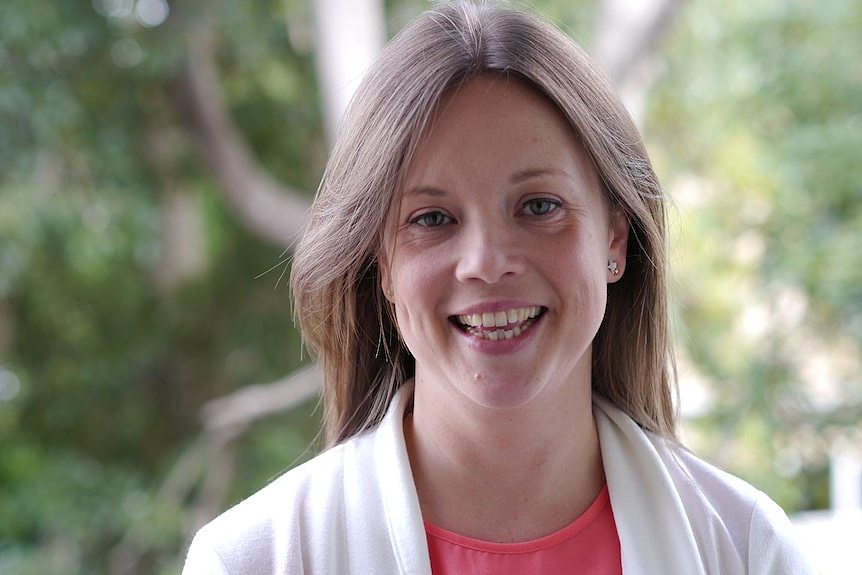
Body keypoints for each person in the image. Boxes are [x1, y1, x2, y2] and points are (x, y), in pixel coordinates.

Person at [182, 2, 815, 573]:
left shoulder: (747, 550)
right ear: (382, 266)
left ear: (615, 238)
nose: (486, 263)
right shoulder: (252, 560)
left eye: (538, 206)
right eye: (432, 219)